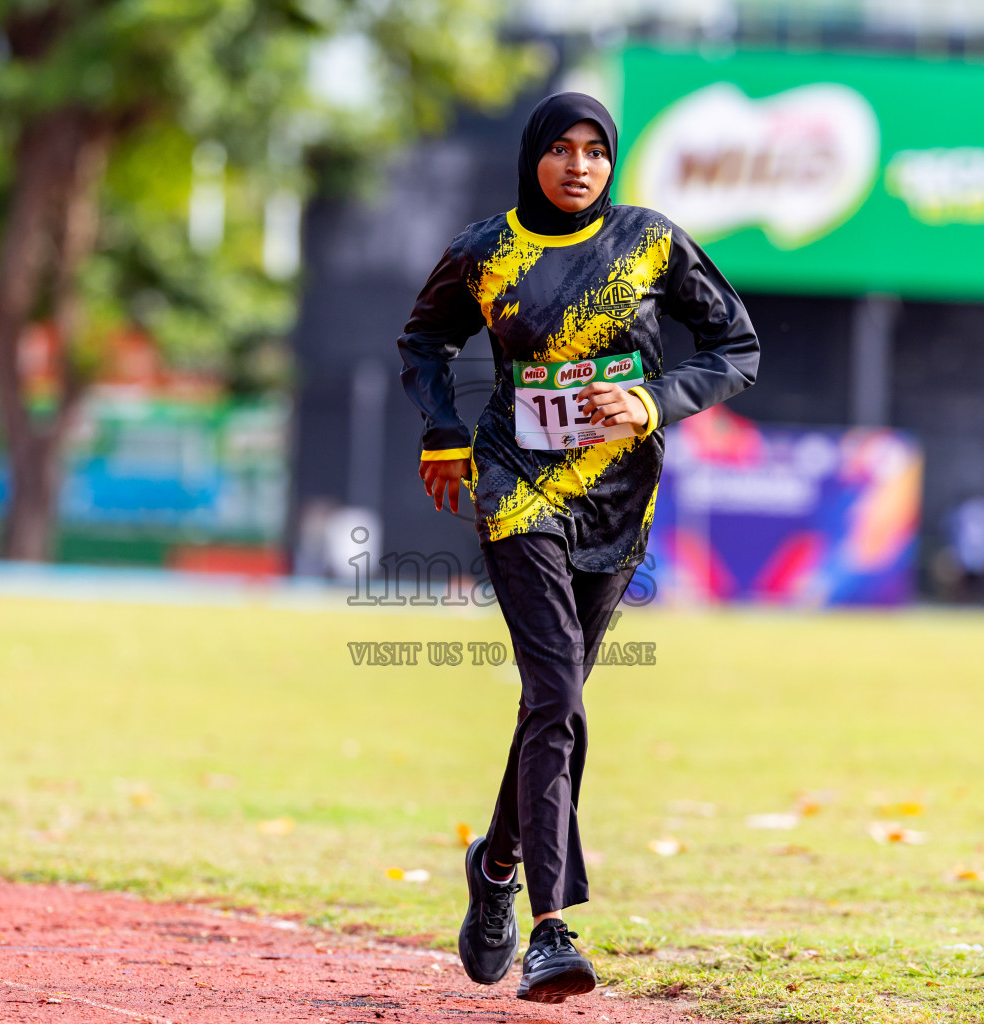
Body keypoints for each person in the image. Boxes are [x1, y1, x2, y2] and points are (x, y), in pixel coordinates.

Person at [396, 93, 760, 1003]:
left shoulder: (649, 241)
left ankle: (496, 865)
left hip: (618, 498)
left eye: (596, 150)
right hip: (515, 481)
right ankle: (552, 929)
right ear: (533, 157)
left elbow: (736, 346)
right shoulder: (486, 250)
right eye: (560, 148)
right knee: (557, 693)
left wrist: (651, 400)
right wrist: (443, 431)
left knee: (550, 704)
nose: (579, 166)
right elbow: (425, 338)